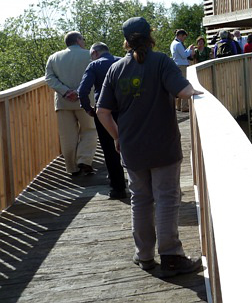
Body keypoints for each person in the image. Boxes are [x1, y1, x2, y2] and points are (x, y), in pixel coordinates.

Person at [97, 16, 203, 277]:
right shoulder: (161, 62)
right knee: (166, 198)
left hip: (132, 147)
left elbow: (102, 111)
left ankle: (144, 255)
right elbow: (183, 91)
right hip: (163, 144)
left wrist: (117, 137)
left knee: (140, 200)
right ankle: (171, 257)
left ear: (126, 40)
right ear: (150, 36)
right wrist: (198, 91)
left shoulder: (116, 68)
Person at [77, 42, 127, 199]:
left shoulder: (94, 66)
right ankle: (141, 183)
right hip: (126, 110)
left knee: (109, 149)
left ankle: (118, 188)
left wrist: (88, 109)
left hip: (104, 112)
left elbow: (83, 91)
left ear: (95, 53)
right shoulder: (122, 61)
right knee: (132, 144)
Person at [45, 31, 98, 176]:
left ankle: (71, 168)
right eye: (83, 39)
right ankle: (84, 160)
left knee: (67, 136)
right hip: (86, 100)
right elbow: (95, 76)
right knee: (90, 130)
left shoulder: (54, 57)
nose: (84, 42)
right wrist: (78, 92)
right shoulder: (90, 55)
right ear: (78, 40)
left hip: (63, 102)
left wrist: (66, 92)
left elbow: (49, 78)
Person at [170, 29, 195, 112]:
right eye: (184, 37)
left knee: (179, 85)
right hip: (182, 66)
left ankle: (178, 105)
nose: (184, 39)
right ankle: (184, 106)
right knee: (184, 85)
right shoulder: (178, 44)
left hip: (177, 65)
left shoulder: (173, 43)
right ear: (180, 35)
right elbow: (184, 55)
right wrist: (190, 50)